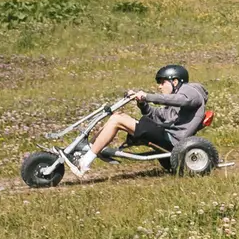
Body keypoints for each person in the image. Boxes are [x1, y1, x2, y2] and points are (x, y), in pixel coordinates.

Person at [69, 64, 208, 175]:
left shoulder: (191, 91)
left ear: (175, 81)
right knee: (118, 117)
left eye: (162, 82)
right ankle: (89, 149)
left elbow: (178, 100)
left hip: (173, 140)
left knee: (118, 119)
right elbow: (158, 116)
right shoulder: (176, 101)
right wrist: (142, 103)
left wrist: (147, 96)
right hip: (166, 134)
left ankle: (84, 161)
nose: (159, 86)